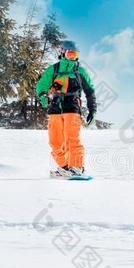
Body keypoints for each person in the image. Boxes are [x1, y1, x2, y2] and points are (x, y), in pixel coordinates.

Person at [36, 41, 96, 177]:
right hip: (55, 109)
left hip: (72, 108)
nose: (73, 57)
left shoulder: (80, 71)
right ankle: (65, 167)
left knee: (72, 139)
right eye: (70, 54)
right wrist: (43, 97)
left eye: (75, 55)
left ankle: (77, 167)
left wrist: (93, 109)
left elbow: (90, 91)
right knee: (55, 141)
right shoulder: (54, 69)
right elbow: (41, 86)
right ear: (62, 53)